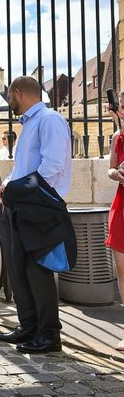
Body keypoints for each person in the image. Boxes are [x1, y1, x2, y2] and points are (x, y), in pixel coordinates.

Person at [0, 76, 72, 354]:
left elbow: (52, 166)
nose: (9, 102)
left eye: (10, 98)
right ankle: (28, 326)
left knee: (37, 270)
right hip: (21, 203)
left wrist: (20, 189)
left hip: (40, 205)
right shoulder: (29, 124)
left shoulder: (49, 120)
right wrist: (7, 185)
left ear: (18, 93)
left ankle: (49, 334)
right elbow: (24, 166)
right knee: (19, 268)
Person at [106, 91, 124, 351]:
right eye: (122, 106)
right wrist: (118, 172)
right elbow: (109, 169)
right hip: (122, 204)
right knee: (123, 270)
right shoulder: (117, 137)